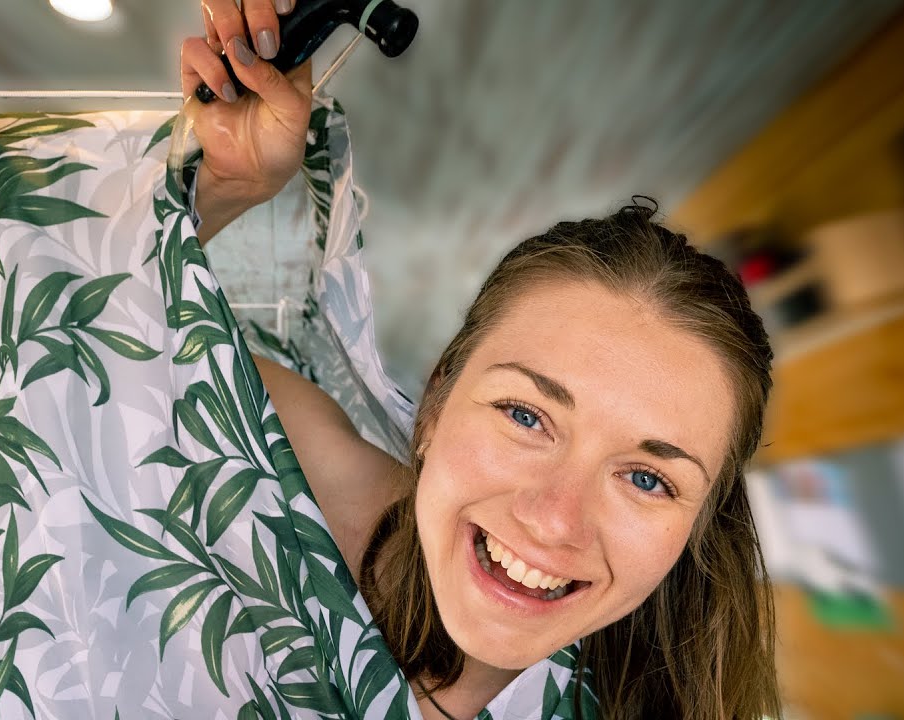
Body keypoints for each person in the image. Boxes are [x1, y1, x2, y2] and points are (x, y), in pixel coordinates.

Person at [181, 2, 780, 717]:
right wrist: (225, 187)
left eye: (649, 478)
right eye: (526, 414)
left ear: (699, 528)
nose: (556, 522)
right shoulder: (308, 484)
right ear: (435, 407)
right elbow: (118, 337)